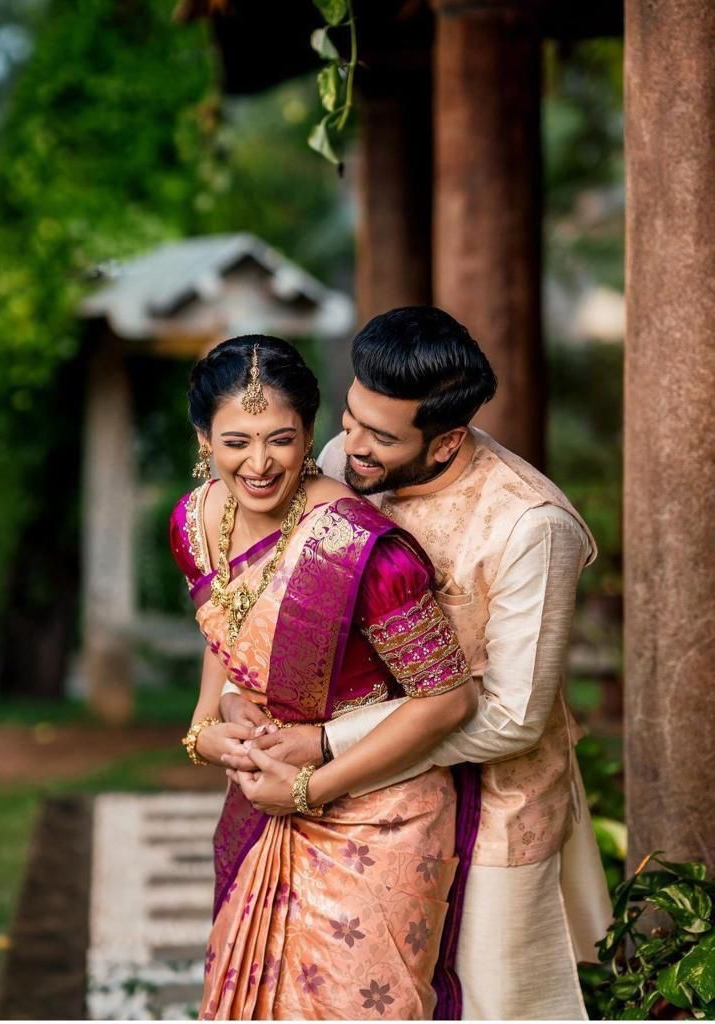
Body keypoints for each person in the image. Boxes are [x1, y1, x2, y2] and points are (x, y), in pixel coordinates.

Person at [222, 307, 613, 1021]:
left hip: (495, 798)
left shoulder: (531, 527)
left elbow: (510, 719)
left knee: (487, 999)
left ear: (447, 441)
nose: (350, 448)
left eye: (381, 437)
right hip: (358, 801)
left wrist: (327, 747)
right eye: (351, 418)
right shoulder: (346, 462)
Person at [169, 334, 480, 1021]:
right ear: (202, 438)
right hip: (266, 795)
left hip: (376, 817)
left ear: (310, 432)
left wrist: (310, 786)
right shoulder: (193, 522)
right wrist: (208, 721)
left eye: (280, 439)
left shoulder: (361, 550)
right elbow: (228, 627)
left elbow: (448, 700)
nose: (258, 463)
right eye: (235, 442)